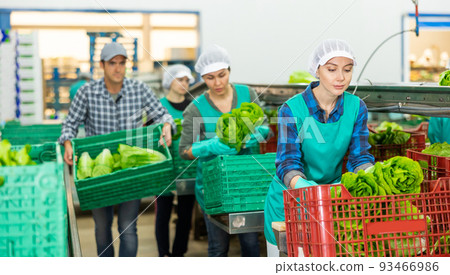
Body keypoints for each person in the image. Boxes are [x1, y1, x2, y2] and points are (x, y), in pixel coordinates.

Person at [58, 42, 176, 257]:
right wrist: (67, 143)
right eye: (112, 63)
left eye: (122, 63)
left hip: (130, 170)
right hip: (97, 174)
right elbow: (70, 124)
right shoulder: (87, 92)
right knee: (102, 229)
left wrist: (167, 126)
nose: (118, 68)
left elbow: (162, 114)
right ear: (102, 65)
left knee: (128, 228)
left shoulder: (138, 89)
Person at [264, 39, 375, 257]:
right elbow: (287, 164)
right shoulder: (291, 109)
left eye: (348, 69)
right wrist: (308, 189)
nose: (341, 77)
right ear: (317, 70)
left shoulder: (356, 107)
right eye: (332, 69)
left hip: (331, 201)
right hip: (290, 202)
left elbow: (359, 156)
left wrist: (369, 175)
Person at [178, 45, 270, 257]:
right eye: (210, 78)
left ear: (229, 70)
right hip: (213, 187)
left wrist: (253, 136)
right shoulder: (196, 108)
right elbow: (184, 151)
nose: (217, 83)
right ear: (202, 78)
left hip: (246, 183)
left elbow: (266, 128)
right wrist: (211, 145)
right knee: (219, 247)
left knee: (250, 244)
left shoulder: (247, 93)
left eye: (222, 75)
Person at [155, 64, 196, 257]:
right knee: (162, 214)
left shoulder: (193, 105)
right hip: (165, 169)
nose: (184, 84)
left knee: (185, 215)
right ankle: (164, 254)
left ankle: (179, 254)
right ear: (168, 81)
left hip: (189, 167)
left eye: (187, 80)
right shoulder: (159, 106)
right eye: (180, 79)